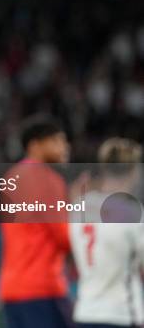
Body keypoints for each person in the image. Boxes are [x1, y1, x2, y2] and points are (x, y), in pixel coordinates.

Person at [0, 115, 73, 328]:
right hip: (42, 287)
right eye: (57, 141)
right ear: (35, 145)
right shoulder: (48, 179)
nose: (65, 147)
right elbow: (63, 236)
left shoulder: (10, 177)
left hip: (11, 287)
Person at [70, 137, 143, 328]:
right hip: (121, 314)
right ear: (135, 171)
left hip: (85, 313)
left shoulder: (79, 207)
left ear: (104, 168)